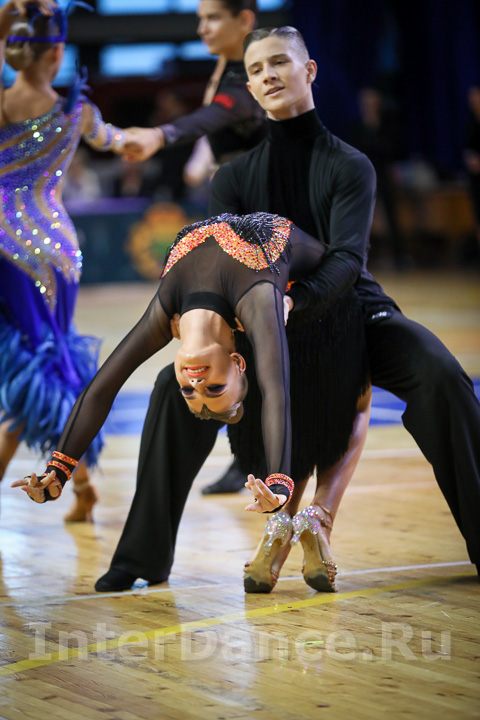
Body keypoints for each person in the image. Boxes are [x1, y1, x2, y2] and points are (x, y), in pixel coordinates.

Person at [91, 25, 479, 594]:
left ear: (309, 70)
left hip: (350, 305)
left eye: (279, 62)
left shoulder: (351, 165)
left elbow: (347, 260)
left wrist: (295, 300)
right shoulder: (233, 177)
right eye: (256, 69)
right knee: (174, 388)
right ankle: (140, 556)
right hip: (262, 323)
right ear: (248, 86)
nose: (268, 75)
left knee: (441, 374)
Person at [13, 211, 371, 590]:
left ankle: (310, 518)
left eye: (191, 391)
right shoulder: (258, 301)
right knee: (190, 390)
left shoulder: (168, 307)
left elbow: (102, 386)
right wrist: (279, 484)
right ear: (239, 361)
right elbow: (274, 391)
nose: (196, 383)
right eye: (214, 389)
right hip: (316, 304)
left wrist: (57, 470)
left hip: (322, 307)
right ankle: (154, 557)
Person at [0, 0, 132, 521]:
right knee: (47, 357)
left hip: (6, 245)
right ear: (57, 54)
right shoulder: (77, 112)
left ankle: (78, 484)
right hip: (56, 247)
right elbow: (123, 143)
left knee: (36, 365)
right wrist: (161, 137)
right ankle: (81, 485)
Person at [122, 0, 265, 169]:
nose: (202, 29)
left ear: (244, 20)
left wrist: (159, 136)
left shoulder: (252, 81)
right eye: (201, 18)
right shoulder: (226, 63)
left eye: (213, 18)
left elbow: (215, 113)